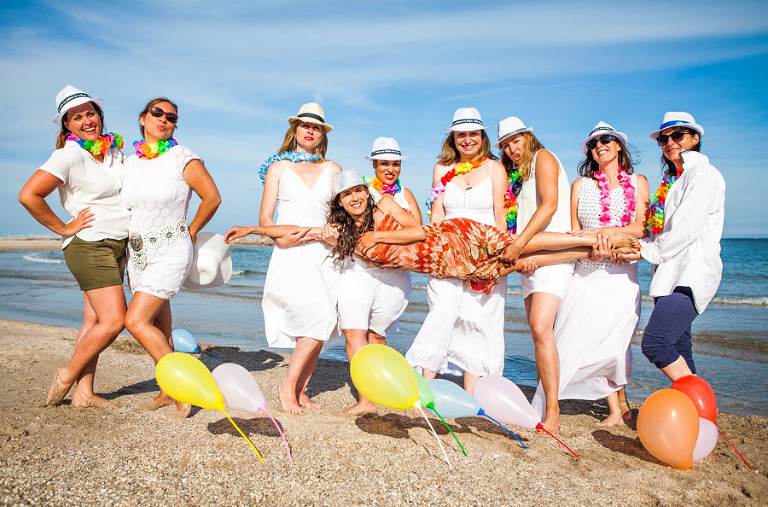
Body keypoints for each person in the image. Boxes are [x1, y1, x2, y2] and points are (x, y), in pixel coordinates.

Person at [226, 169, 634, 292]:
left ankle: (591, 236)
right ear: (338, 201)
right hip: (441, 264)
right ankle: (590, 251)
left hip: (450, 237)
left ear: (364, 194)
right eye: (346, 195)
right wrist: (250, 229)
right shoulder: (337, 231)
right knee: (513, 265)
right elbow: (295, 228)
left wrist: (379, 236)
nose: (353, 199)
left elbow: (418, 232)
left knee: (513, 245)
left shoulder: (383, 205)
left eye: (357, 192)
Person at [531, 122, 650, 428]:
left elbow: (642, 227)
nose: (600, 145)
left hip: (621, 277)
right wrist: (589, 244)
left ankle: (620, 404)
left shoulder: (638, 183)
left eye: (606, 139)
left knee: (615, 342)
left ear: (619, 145)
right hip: (585, 273)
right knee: (586, 342)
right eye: (594, 142)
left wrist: (606, 232)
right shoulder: (580, 186)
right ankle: (615, 407)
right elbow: (573, 231)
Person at [19, 85, 129, 408]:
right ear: (67, 125)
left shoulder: (114, 153)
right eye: (76, 117)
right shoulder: (68, 154)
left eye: (90, 113)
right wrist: (64, 227)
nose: (86, 121)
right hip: (90, 243)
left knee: (93, 321)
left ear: (100, 115)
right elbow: (28, 195)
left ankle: (84, 392)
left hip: (116, 243)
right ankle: (67, 375)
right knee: (114, 321)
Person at [121, 97, 221, 416]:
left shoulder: (183, 157)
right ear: (142, 118)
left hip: (170, 249)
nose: (164, 119)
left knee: (134, 320)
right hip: (138, 253)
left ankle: (182, 388)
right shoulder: (129, 162)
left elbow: (212, 198)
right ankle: (165, 389)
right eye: (157, 113)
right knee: (158, 324)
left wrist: (191, 230)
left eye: (172, 117)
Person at [406, 108, 509, 394]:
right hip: (447, 255)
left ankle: (472, 395)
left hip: (484, 256)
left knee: (479, 321)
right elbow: (436, 214)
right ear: (453, 137)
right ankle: (423, 385)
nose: (467, 140)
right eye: (461, 134)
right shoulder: (441, 169)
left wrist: (497, 262)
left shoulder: (495, 168)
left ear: (482, 136)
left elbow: (500, 218)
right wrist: (433, 251)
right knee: (443, 311)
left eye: (473, 133)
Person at [617, 112, 725, 382]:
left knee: (655, 343)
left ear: (695, 138)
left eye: (678, 135)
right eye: (663, 138)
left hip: (690, 274)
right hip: (669, 274)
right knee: (679, 347)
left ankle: (699, 408)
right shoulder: (674, 180)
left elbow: (686, 229)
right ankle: (700, 416)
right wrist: (634, 244)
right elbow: (661, 232)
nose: (669, 142)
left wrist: (644, 251)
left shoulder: (703, 174)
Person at [257, 103, 341, 414]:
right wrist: (279, 236)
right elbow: (265, 216)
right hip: (290, 250)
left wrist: (329, 232)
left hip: (324, 250)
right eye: (305, 125)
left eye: (316, 127)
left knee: (324, 318)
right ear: (295, 130)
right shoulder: (278, 169)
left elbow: (341, 212)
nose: (310, 130)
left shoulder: (332, 169)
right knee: (317, 314)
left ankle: (301, 389)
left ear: (322, 135)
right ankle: (288, 386)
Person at [496, 116, 573, 434]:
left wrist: (519, 244)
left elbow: (550, 206)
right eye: (505, 145)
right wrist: (521, 252)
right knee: (539, 333)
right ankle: (543, 402)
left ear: (529, 136)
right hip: (530, 257)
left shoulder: (544, 157)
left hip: (551, 256)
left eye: (516, 140)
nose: (512, 148)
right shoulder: (518, 174)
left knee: (542, 328)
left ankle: (553, 411)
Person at [336, 138, 420, 414]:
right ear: (374, 164)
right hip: (357, 270)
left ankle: (382, 388)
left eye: (395, 163)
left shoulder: (404, 195)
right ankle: (366, 400)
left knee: (377, 335)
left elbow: (419, 232)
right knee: (353, 332)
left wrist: (379, 237)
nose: (390, 169)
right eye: (385, 163)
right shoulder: (361, 192)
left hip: (392, 275)